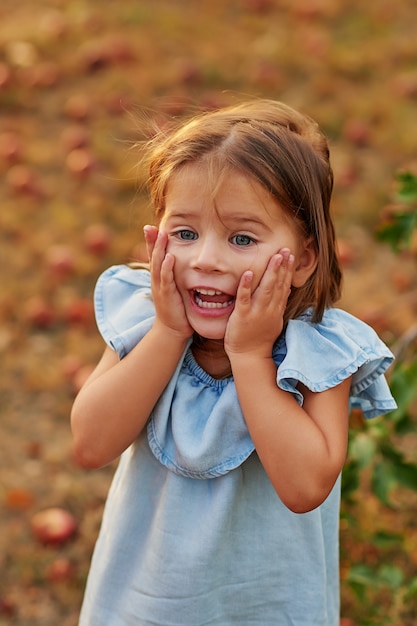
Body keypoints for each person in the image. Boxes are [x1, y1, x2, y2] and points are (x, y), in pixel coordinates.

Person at [71, 99, 397, 626]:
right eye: (185, 233)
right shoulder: (145, 319)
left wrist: (249, 356)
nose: (206, 259)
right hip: (144, 608)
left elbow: (305, 486)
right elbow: (90, 443)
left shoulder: (319, 352)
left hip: (266, 610)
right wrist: (168, 332)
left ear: (304, 259)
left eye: (242, 238)